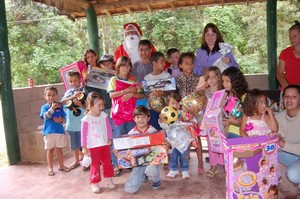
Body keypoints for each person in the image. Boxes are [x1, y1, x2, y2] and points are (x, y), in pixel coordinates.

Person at [107, 56, 144, 175]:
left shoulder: (133, 82)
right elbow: (111, 96)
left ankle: (129, 162)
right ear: (118, 67)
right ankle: (115, 164)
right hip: (117, 116)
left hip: (130, 116)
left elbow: (141, 95)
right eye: (123, 65)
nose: (125, 68)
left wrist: (132, 94)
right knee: (117, 140)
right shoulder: (113, 80)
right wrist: (126, 91)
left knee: (130, 140)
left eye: (128, 66)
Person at [81, 92, 116, 193]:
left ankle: (109, 180)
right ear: (90, 105)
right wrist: (84, 147)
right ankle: (94, 183)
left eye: (102, 105)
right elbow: (83, 135)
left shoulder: (104, 115)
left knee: (107, 163)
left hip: (104, 144)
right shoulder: (86, 119)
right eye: (99, 105)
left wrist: (110, 138)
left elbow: (109, 128)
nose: (102, 107)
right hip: (93, 146)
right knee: (95, 165)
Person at [176, 52, 204, 174]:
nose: (189, 65)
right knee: (183, 138)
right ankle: (184, 163)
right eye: (186, 63)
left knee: (197, 138)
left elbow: (202, 95)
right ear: (180, 65)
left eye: (191, 63)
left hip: (195, 113)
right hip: (182, 113)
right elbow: (175, 96)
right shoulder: (177, 80)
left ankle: (201, 163)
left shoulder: (198, 78)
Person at [124, 105, 162, 193]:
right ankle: (143, 175)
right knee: (130, 189)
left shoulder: (153, 131)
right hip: (139, 160)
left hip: (151, 159)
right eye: (138, 117)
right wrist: (121, 153)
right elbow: (126, 149)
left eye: (144, 117)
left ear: (148, 118)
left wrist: (155, 147)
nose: (141, 119)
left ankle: (156, 181)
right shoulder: (131, 133)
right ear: (134, 119)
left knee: (151, 169)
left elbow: (160, 146)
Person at [197, 66, 224, 178]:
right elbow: (199, 107)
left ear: (219, 77)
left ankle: (225, 164)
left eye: (214, 76)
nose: (211, 79)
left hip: (222, 122)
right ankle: (213, 166)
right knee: (211, 145)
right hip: (209, 123)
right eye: (209, 77)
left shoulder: (223, 92)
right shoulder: (204, 93)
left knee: (223, 143)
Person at [158, 92, 191, 179]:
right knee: (172, 155)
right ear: (167, 104)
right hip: (171, 140)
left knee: (184, 155)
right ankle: (173, 169)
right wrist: (161, 120)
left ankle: (185, 170)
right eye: (173, 103)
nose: (175, 105)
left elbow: (189, 122)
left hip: (183, 140)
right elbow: (164, 126)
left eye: (177, 103)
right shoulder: (165, 114)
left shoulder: (183, 113)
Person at [40, 86, 70, 176]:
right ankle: (50, 167)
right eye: (48, 95)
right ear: (45, 97)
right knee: (50, 150)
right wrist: (52, 109)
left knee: (59, 150)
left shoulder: (60, 107)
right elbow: (45, 117)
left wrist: (61, 120)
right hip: (48, 132)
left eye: (53, 95)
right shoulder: (44, 107)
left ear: (56, 96)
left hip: (59, 131)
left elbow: (64, 118)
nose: (51, 97)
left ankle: (61, 165)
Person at [275, 85, 300, 189]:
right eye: (286, 96)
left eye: (294, 97)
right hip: (291, 154)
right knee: (267, 151)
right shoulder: (278, 117)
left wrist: (282, 143)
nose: (289, 100)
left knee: (293, 175)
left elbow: (282, 143)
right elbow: (280, 141)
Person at [61, 71, 86, 170]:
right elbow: (62, 102)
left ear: (80, 80)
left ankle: (86, 160)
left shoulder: (84, 91)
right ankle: (76, 160)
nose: (73, 83)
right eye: (70, 81)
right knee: (75, 144)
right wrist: (73, 96)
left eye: (75, 80)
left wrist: (79, 103)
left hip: (82, 122)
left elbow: (88, 107)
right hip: (71, 123)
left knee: (84, 143)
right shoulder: (68, 92)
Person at [145, 52, 172, 131]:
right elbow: (146, 93)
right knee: (153, 130)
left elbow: (172, 92)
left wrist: (162, 93)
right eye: (162, 61)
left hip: (165, 108)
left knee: (165, 129)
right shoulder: (147, 78)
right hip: (151, 109)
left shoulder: (167, 76)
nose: (164, 64)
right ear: (154, 63)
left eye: (164, 61)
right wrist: (148, 94)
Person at [222, 67, 249, 139]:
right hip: (225, 132)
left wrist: (236, 122)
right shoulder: (224, 96)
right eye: (223, 81)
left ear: (236, 81)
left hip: (238, 133)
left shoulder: (245, 97)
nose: (224, 84)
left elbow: (250, 117)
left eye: (227, 81)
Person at [276, 21, 300, 90]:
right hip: (287, 89)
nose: (292, 39)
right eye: (290, 36)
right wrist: (289, 88)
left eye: (295, 36)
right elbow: (279, 74)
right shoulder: (285, 52)